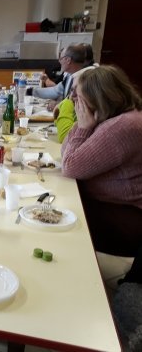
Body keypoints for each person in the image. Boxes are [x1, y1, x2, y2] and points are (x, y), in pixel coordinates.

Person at [61, 65, 142, 257]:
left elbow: (70, 166)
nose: (72, 100)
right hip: (113, 207)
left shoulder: (123, 126)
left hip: (127, 219)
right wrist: (82, 125)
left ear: (98, 97)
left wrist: (82, 127)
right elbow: (65, 150)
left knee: (53, 216)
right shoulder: (114, 118)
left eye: (77, 96)